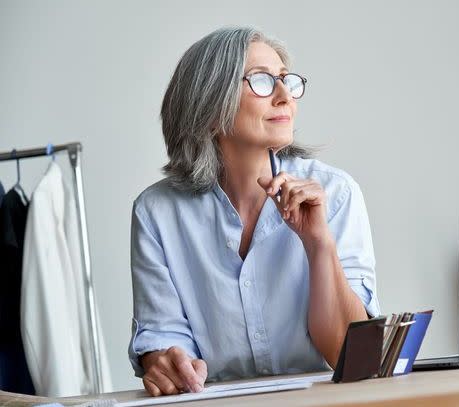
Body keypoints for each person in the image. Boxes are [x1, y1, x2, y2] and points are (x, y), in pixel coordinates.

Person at [127, 27, 381, 397]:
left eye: (285, 81)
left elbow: (350, 355)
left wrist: (318, 242)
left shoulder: (336, 194)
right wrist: (165, 363)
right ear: (210, 107)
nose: (284, 97)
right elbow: (165, 342)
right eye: (262, 81)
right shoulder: (157, 213)